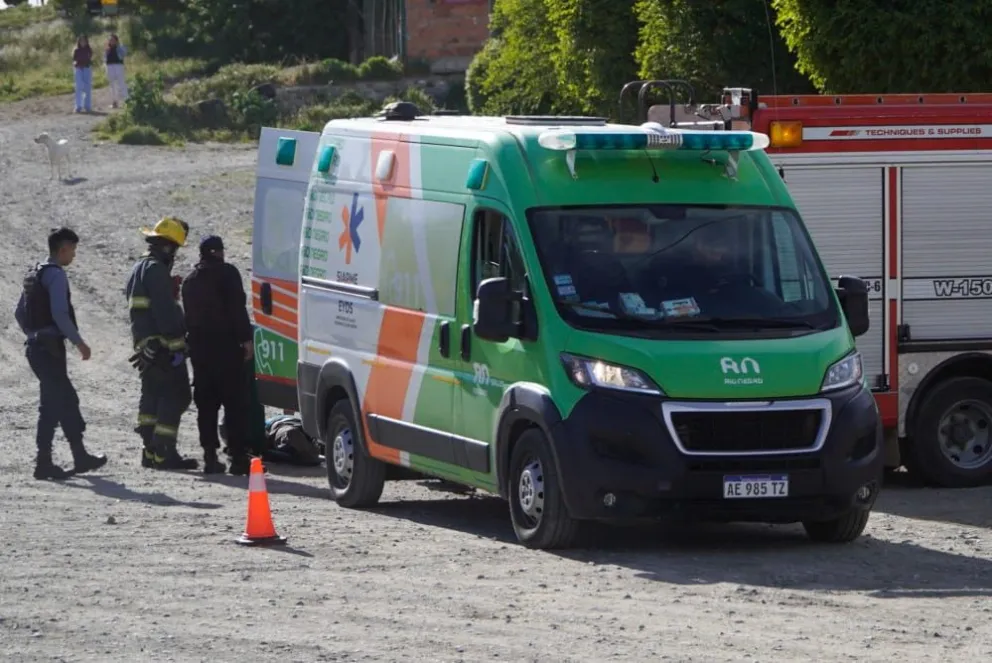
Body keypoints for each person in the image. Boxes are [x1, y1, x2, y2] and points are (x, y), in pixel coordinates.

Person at [14, 228, 107, 481]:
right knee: (52, 404)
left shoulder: (36, 272)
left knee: (64, 399)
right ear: (63, 249)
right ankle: (44, 463)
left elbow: (19, 313)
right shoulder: (55, 275)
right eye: (73, 250)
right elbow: (60, 314)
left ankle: (79, 457)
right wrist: (79, 343)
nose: (74, 256)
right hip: (50, 349)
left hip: (37, 349)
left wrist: (34, 334)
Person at [125, 217, 198, 471]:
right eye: (175, 249)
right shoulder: (155, 270)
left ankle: (150, 452)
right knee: (176, 395)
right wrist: (180, 341)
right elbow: (165, 313)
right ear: (168, 247)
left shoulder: (140, 267)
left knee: (153, 396)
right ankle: (164, 453)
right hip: (162, 346)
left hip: (146, 347)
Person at [180, 235, 254, 476]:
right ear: (219, 252)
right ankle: (238, 458)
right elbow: (237, 309)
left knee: (206, 406)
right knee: (234, 405)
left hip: (201, 353)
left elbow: (188, 318)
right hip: (227, 349)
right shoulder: (228, 274)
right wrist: (246, 340)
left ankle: (210, 456)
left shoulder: (190, 281)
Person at [104, 33, 128, 109]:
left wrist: (119, 47)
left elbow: (124, 54)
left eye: (113, 40)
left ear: (116, 41)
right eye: (110, 40)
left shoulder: (120, 48)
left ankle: (127, 101)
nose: (112, 41)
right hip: (109, 67)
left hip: (118, 66)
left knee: (121, 83)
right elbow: (105, 59)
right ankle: (115, 102)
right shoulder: (107, 49)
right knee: (112, 85)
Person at [72, 35, 93, 114]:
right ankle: (78, 106)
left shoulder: (89, 50)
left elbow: (90, 58)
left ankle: (87, 106)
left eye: (84, 41)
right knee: (79, 86)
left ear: (87, 42)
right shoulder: (76, 50)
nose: (82, 42)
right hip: (78, 68)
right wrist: (76, 64)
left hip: (87, 68)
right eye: (81, 41)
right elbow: (74, 59)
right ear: (79, 42)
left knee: (87, 87)